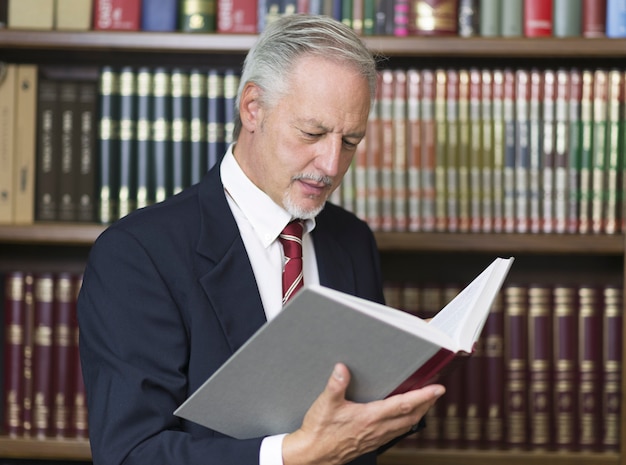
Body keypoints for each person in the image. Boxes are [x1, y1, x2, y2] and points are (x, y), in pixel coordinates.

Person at [77, 13, 445, 465]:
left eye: (350, 141)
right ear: (253, 108)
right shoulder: (138, 254)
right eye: (312, 133)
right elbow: (129, 453)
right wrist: (292, 455)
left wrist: (407, 389)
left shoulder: (352, 241)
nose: (331, 164)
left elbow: (358, 423)